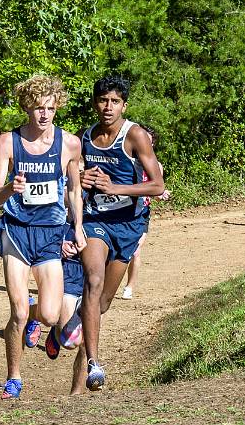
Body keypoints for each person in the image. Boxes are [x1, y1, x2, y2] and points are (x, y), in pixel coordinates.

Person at [0, 74, 86, 400]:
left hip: (50, 234)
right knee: (15, 313)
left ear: (57, 107)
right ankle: (13, 379)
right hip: (16, 231)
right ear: (26, 107)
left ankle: (33, 312)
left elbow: (74, 189)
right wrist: (8, 189)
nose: (44, 115)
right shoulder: (7, 142)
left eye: (50, 108)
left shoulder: (69, 144)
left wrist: (79, 227)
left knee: (49, 315)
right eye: (37, 108)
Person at [78, 76, 165, 391]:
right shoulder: (84, 138)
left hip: (128, 225)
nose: (108, 107)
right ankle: (94, 364)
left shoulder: (136, 136)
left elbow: (158, 186)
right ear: (95, 104)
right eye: (102, 100)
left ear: (123, 106)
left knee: (101, 303)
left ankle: (76, 326)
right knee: (93, 280)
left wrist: (117, 188)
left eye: (114, 101)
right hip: (95, 219)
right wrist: (79, 176)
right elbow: (68, 175)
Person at [121, 124, 171, 300]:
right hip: (123, 210)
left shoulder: (156, 166)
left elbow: (157, 189)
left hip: (142, 212)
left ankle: (129, 286)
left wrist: (161, 194)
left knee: (135, 250)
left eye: (148, 142)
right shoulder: (126, 161)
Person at [42, 226, 88, 395]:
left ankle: (76, 394)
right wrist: (58, 243)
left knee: (88, 339)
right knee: (70, 342)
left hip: (97, 269)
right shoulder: (69, 199)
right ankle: (54, 328)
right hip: (69, 265)